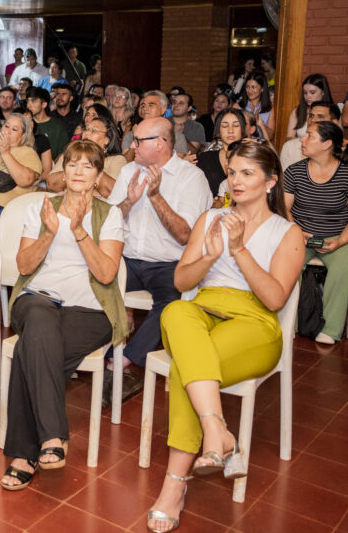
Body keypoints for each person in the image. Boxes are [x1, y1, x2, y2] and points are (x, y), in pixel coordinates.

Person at [146, 140, 304, 532]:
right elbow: (182, 280)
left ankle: (174, 485)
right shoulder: (208, 220)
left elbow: (274, 298)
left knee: (188, 367)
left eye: (247, 173)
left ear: (271, 182)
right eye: (232, 172)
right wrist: (212, 255)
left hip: (255, 324)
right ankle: (216, 430)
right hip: (202, 312)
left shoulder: (289, 232)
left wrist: (239, 251)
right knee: (176, 309)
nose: (235, 181)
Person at [0, 141, 126, 491]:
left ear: (99, 176)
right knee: (39, 321)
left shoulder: (110, 214)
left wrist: (80, 230)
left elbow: (105, 275)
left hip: (89, 309)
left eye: (88, 166)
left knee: (33, 353)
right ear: (64, 170)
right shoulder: (42, 208)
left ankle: (23, 455)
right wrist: (50, 233)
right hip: (38, 298)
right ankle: (53, 436)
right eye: (72, 164)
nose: (79, 172)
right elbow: (24, 266)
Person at [105, 117, 211, 407]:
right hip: (127, 258)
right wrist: (128, 201)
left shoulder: (191, 178)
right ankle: (90, 352)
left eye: (138, 141)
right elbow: (109, 220)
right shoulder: (129, 171)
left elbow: (185, 235)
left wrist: (155, 196)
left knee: (172, 302)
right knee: (93, 280)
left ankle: (120, 362)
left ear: (162, 143)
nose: (132, 145)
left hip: (169, 262)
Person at [283, 121, 348, 344]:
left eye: (309, 136)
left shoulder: (345, 174)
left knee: (344, 268)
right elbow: (285, 208)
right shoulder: (295, 171)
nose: (302, 139)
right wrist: (297, 231)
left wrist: (340, 241)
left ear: (327, 144)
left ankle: (331, 329)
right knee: (288, 263)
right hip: (299, 235)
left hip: (337, 237)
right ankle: (289, 323)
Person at [46, 107, 125, 197]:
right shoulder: (69, 155)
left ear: (107, 139)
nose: (87, 133)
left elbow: (114, 193)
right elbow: (51, 185)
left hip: (98, 208)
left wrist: (91, 165)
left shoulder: (117, 160)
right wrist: (75, 166)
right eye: (86, 129)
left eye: (94, 130)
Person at [0, 112, 43, 207]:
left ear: (23, 136)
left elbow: (25, 181)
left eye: (14, 129)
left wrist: (5, 153)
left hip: (7, 209)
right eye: (6, 126)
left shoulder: (28, 153)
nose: (8, 131)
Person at [196, 108, 248, 198]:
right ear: (218, 130)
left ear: (242, 129)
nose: (230, 130)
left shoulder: (252, 159)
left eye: (236, 126)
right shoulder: (204, 159)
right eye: (224, 126)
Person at [280, 100, 338, 169]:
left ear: (334, 123)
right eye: (311, 115)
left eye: (320, 116)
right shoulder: (291, 147)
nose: (313, 120)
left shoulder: (343, 151)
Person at [285, 73, 333, 141]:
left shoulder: (332, 111)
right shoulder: (297, 111)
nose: (308, 96)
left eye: (312, 92)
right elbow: (289, 137)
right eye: (305, 93)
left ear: (323, 92)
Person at [27, 87, 67, 159]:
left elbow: (62, 154)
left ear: (44, 104)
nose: (28, 105)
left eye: (33, 101)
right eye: (28, 101)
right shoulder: (24, 124)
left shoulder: (58, 126)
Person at [239, 72, 273, 141]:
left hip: (261, 147)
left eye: (253, 87)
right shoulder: (238, 106)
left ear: (262, 89)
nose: (249, 90)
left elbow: (270, 137)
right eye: (247, 87)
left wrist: (260, 124)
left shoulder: (269, 109)